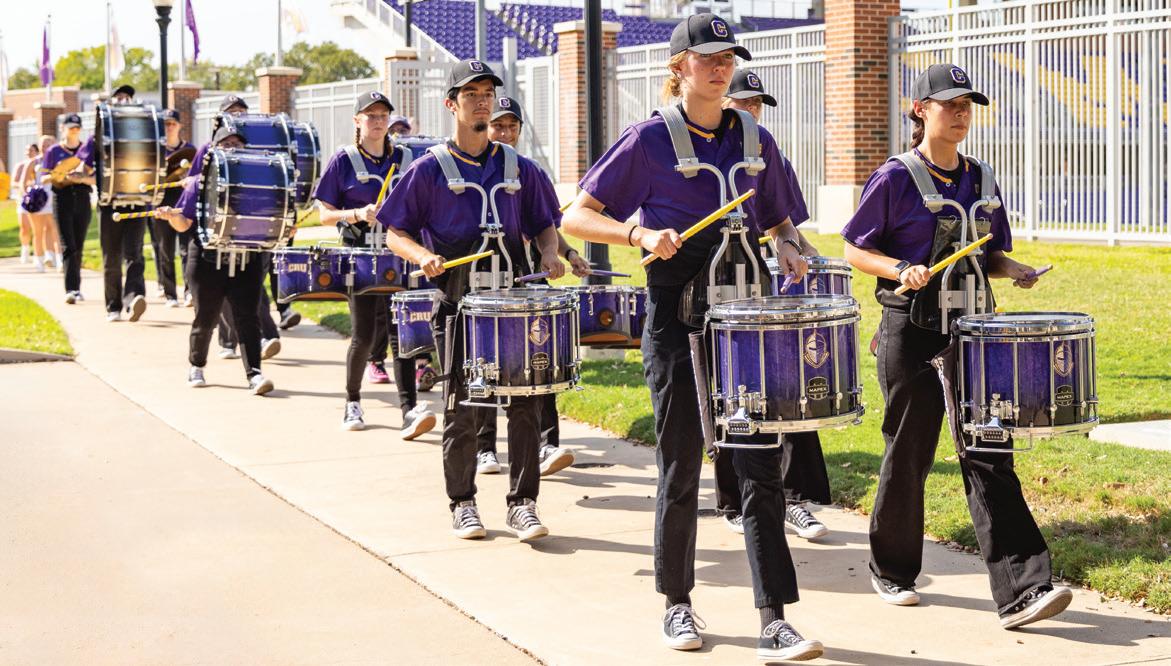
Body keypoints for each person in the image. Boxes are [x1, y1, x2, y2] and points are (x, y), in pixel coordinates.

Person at [562, 15, 823, 662]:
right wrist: (638, 234)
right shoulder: (648, 139)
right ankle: (676, 602)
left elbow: (778, 218)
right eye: (707, 58)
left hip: (743, 321)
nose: (720, 67)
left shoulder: (755, 137)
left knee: (759, 467)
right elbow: (576, 216)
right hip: (675, 320)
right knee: (680, 466)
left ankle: (774, 618)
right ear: (678, 67)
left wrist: (788, 245)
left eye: (727, 57)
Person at [840, 63, 1072, 629]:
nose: (961, 113)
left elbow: (989, 253)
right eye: (950, 104)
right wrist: (900, 269)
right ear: (921, 110)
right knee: (910, 450)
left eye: (968, 105)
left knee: (990, 446)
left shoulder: (982, 178)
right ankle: (892, 570)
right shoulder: (895, 177)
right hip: (911, 328)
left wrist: (1014, 269)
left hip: (974, 329)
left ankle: (1024, 589)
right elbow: (854, 249)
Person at [378, 60, 565, 542]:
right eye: (471, 94)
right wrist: (422, 255)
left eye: (487, 93)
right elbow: (394, 231)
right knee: (461, 407)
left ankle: (523, 505)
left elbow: (545, 224)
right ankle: (462, 503)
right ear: (451, 104)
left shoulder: (520, 168)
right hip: (458, 304)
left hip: (513, 304)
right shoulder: (428, 169)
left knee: (524, 406)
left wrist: (549, 253)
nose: (482, 101)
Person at [715, 69, 831, 541]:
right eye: (744, 102)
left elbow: (784, 224)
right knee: (729, 392)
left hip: (767, 288)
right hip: (716, 286)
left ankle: (793, 499)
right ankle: (735, 501)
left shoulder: (768, 152)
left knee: (786, 385)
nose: (752, 111)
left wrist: (810, 255)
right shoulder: (702, 154)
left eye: (757, 104)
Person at [474, 95, 588, 477]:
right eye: (498, 126)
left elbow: (544, 226)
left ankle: (548, 443)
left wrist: (565, 254)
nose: (505, 133)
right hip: (480, 279)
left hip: (521, 280)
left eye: (512, 126)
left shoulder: (527, 171)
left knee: (539, 360)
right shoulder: (472, 169)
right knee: (485, 364)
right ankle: (484, 447)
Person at [313, 90, 438, 437]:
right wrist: (357, 213)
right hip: (362, 258)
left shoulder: (407, 157)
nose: (378, 121)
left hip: (400, 255)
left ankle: (409, 410)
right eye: (371, 115)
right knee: (364, 335)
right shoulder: (344, 160)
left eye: (383, 115)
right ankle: (352, 401)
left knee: (402, 334)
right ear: (358, 120)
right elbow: (323, 214)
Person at [154, 125, 276, 396]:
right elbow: (184, 223)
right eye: (226, 143)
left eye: (238, 144)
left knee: (248, 318)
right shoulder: (199, 183)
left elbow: (270, 217)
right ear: (214, 150)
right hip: (207, 259)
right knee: (206, 317)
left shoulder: (257, 182)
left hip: (246, 258)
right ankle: (196, 365)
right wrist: (171, 216)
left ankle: (254, 374)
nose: (233, 148)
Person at [88, 84, 150, 323]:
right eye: (120, 97)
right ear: (112, 102)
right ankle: (113, 306)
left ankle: (134, 299)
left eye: (128, 97)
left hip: (136, 200)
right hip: (110, 202)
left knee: (135, 254)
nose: (124, 100)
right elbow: (86, 163)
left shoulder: (144, 132)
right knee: (111, 258)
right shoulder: (99, 134)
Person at [42, 115, 95, 304]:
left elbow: (95, 179)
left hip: (82, 197)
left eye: (77, 127)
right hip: (62, 198)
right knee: (68, 244)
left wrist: (81, 178)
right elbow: (43, 177)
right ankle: (71, 289)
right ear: (62, 128)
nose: (74, 130)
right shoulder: (54, 151)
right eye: (70, 127)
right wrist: (60, 174)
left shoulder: (87, 150)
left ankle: (77, 287)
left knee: (78, 244)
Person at [148, 108, 194, 308]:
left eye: (173, 123)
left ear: (179, 126)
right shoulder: (156, 150)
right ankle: (170, 294)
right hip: (161, 201)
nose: (169, 127)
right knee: (165, 249)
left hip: (184, 202)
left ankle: (189, 291)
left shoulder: (190, 150)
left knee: (187, 249)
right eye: (166, 124)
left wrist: (188, 179)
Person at [16, 143, 57, 272]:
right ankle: (31, 254)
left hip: (50, 198)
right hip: (36, 199)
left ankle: (51, 256)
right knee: (31, 229)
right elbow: (21, 182)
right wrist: (31, 195)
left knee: (51, 228)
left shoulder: (55, 160)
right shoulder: (31, 163)